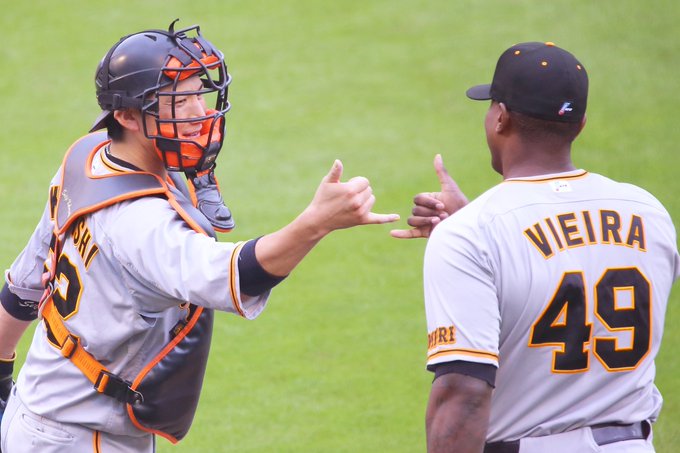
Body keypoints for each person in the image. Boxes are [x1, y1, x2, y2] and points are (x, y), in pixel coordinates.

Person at [0, 21, 398, 452]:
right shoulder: (140, 224)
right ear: (126, 116)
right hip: (80, 439)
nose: (198, 112)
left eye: (197, 95)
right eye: (177, 101)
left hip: (36, 408)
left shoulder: (87, 158)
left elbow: (23, 286)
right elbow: (238, 276)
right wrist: (316, 223)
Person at [391, 42, 679, 452]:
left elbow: (463, 394)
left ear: (500, 118)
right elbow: (583, 260)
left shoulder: (472, 234)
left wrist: (472, 231)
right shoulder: (647, 211)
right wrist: (477, 226)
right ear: (579, 124)